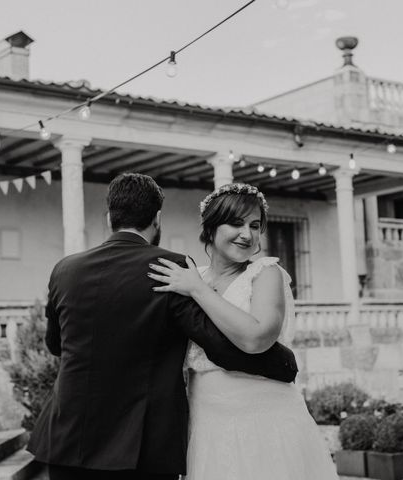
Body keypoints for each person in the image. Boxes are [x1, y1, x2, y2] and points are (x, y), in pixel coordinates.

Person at [27, 174, 298, 480]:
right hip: (140, 444)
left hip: (67, 439)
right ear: (157, 219)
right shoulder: (169, 268)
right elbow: (216, 344)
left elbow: (55, 345)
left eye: (253, 225)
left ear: (109, 218)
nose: (246, 234)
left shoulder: (64, 269)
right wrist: (283, 364)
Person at [148, 183, 338, 480]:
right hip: (207, 423)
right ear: (210, 228)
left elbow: (257, 338)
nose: (247, 234)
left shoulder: (265, 273)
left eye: (254, 225)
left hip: (265, 420)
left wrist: (198, 291)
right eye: (235, 223)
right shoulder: (190, 277)